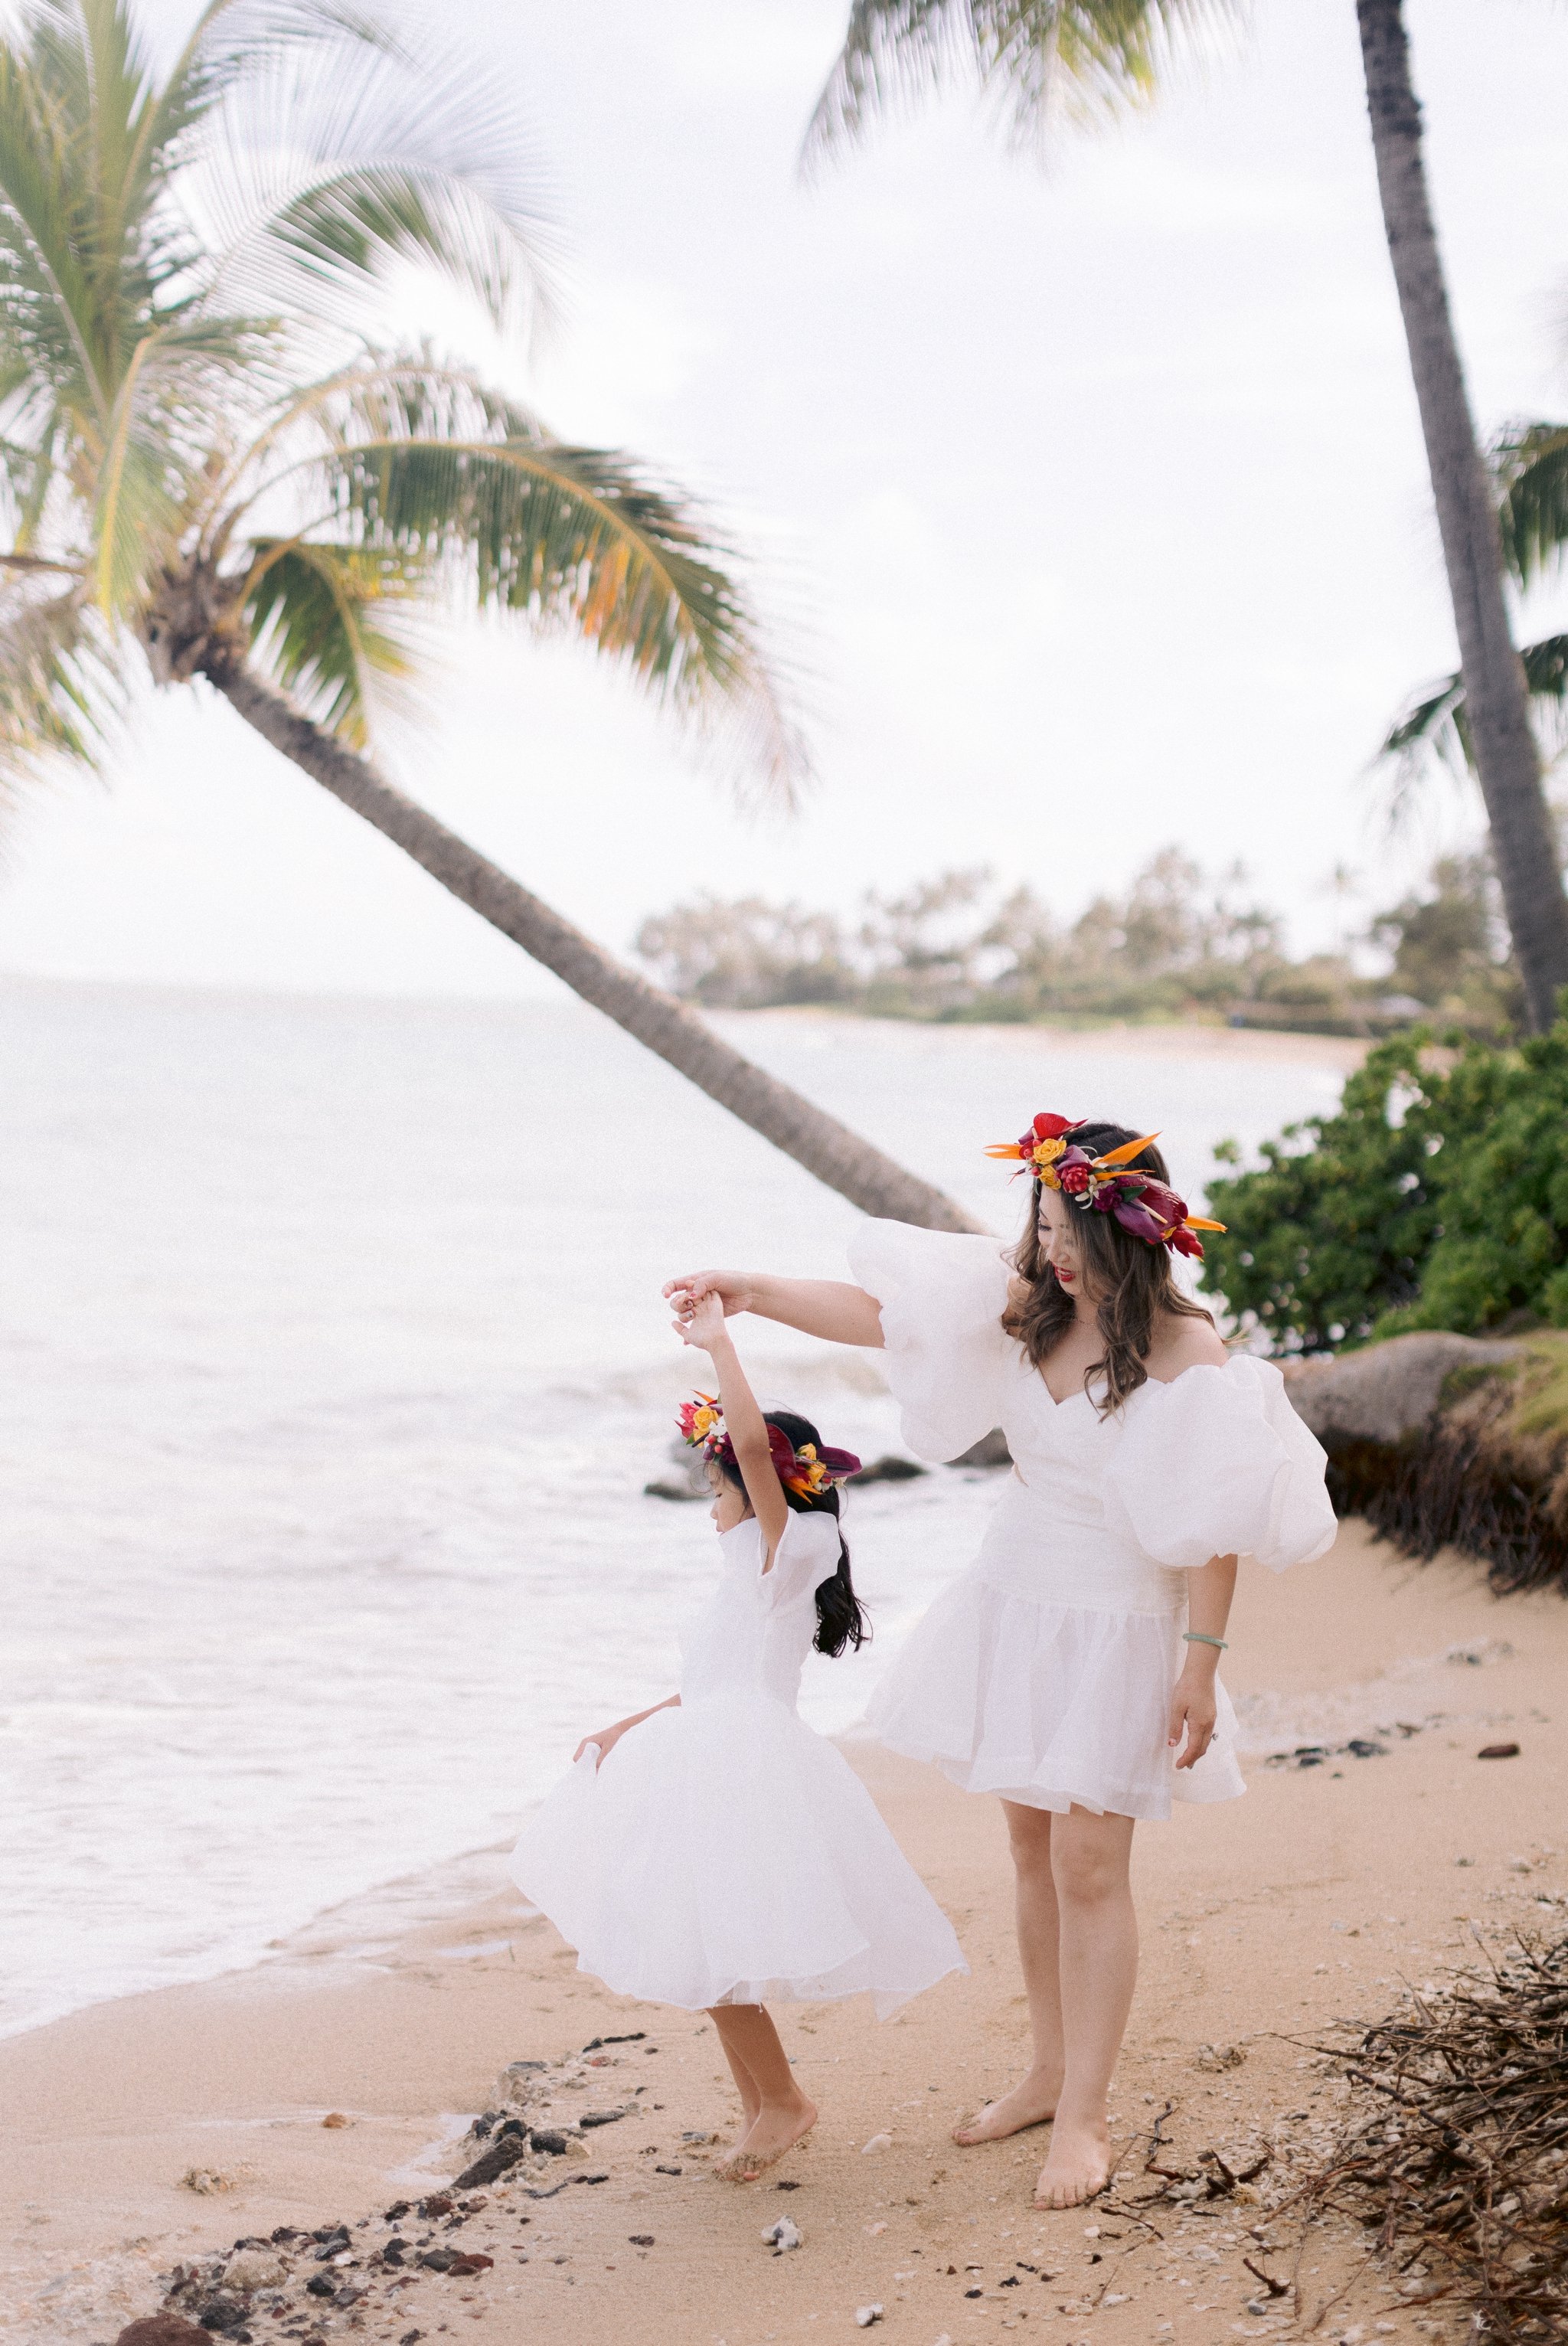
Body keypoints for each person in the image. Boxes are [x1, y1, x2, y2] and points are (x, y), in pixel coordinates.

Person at [664, 1113, 1335, 2210]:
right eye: (1042, 1225)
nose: (1050, 1249)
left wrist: (1200, 1668)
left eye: (1068, 1229)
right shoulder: (1029, 1311)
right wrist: (748, 1289)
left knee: (1090, 1868)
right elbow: (886, 1320)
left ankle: (1087, 2114)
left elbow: (1217, 1526)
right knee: (1029, 1847)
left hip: (1119, 1618)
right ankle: (1043, 2071)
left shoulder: (1187, 1354)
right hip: (1014, 1596)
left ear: (1126, 1230)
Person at [509, 1287, 967, 2184]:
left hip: (740, 1766)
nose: (709, 1502)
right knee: (706, 1943)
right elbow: (707, 1684)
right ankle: (763, 2104)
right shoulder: (743, 1571)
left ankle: (785, 2101)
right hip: (707, 1749)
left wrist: (719, 1348)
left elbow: (754, 1446)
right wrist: (624, 1726)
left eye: (714, 1485)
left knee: (716, 1951)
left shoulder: (785, 1549)